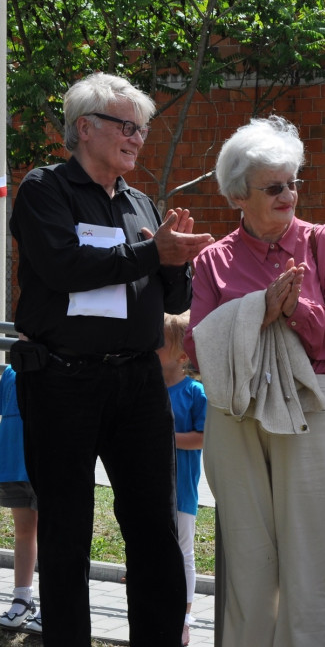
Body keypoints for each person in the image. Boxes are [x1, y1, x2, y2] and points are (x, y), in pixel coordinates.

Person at [10, 72, 213, 647]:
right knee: (67, 534)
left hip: (138, 382)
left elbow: (175, 301)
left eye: (143, 128)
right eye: (126, 125)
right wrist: (153, 251)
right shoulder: (45, 189)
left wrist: (173, 262)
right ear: (85, 128)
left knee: (154, 528)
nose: (137, 137)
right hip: (61, 381)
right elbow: (65, 267)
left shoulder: (141, 201)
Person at [184, 115, 325, 646]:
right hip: (234, 410)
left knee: (307, 556)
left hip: (312, 405)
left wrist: (298, 310)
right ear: (240, 194)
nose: (288, 195)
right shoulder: (213, 260)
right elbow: (195, 346)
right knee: (246, 555)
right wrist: (257, 313)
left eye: (292, 183)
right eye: (274, 186)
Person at [158, 312, 206, 647]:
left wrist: (167, 439)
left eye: (160, 342)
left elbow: (204, 437)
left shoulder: (195, 392)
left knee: (183, 552)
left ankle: (185, 618)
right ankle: (159, 610)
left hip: (182, 488)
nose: (153, 346)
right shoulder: (148, 388)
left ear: (183, 354)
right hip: (151, 485)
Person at [0, 364, 42, 635]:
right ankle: (22, 599)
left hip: (46, 464)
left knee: (53, 534)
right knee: (24, 531)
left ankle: (55, 600)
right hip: (14, 464)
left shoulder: (62, 367)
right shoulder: (10, 373)